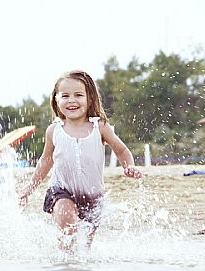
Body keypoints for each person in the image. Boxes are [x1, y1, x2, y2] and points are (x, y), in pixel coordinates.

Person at [19, 70, 141, 251]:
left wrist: (129, 165)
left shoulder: (100, 127)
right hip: (61, 191)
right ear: (56, 100)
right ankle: (65, 269)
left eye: (78, 95)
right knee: (68, 232)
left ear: (89, 99)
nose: (71, 100)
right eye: (65, 96)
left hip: (93, 197)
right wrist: (30, 188)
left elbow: (121, 150)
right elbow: (45, 161)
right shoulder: (54, 130)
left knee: (84, 249)